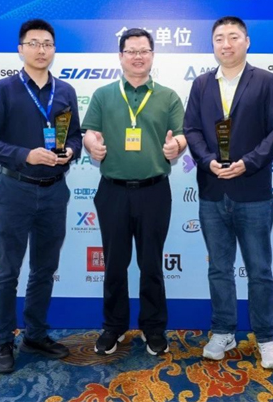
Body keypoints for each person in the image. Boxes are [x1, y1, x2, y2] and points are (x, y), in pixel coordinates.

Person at [182, 16, 273, 369]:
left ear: (246, 41)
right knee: (219, 269)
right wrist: (208, 160)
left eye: (233, 37)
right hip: (212, 191)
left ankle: (267, 338)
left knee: (259, 270)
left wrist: (249, 162)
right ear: (212, 44)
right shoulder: (201, 84)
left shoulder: (265, 81)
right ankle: (223, 331)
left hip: (252, 191)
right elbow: (191, 129)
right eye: (219, 38)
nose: (225, 44)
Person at [0, 19, 82, 373]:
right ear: (21, 49)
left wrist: (71, 151)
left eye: (47, 44)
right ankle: (3, 341)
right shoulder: (2, 89)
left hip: (55, 191)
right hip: (16, 189)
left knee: (44, 269)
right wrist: (25, 155)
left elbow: (76, 135)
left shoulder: (65, 91)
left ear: (54, 49)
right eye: (34, 43)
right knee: (8, 271)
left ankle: (35, 335)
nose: (41, 50)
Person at [82, 28, 187, 356]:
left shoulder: (168, 96)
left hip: (154, 191)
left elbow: (182, 134)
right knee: (114, 264)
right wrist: (91, 144)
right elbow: (89, 132)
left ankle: (153, 328)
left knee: (151, 264)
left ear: (152, 55)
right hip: (112, 191)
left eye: (144, 51)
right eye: (131, 51)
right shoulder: (103, 94)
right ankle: (113, 327)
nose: (138, 56)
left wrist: (176, 146)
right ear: (121, 56)